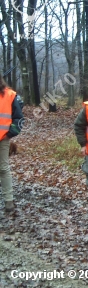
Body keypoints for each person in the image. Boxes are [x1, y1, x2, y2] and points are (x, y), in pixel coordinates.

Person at [0, 76, 23, 213]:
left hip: (2, 137)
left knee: (3, 168)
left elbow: (19, 118)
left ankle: (9, 200)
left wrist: (10, 133)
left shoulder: (10, 95)